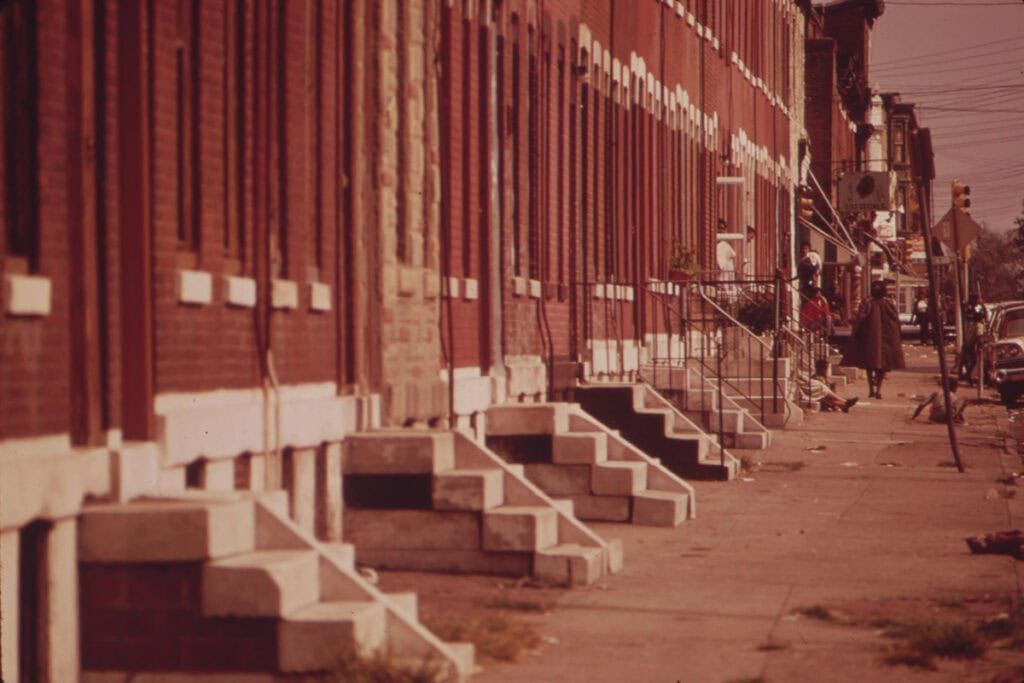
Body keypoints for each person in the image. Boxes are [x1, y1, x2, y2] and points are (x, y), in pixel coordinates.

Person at [840, 279, 906, 399]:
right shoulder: (888, 304)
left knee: (869, 365)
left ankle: (871, 389)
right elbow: (896, 320)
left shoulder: (867, 303)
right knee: (882, 367)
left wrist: (855, 330)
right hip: (886, 340)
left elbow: (860, 318)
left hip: (869, 340)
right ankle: (878, 390)